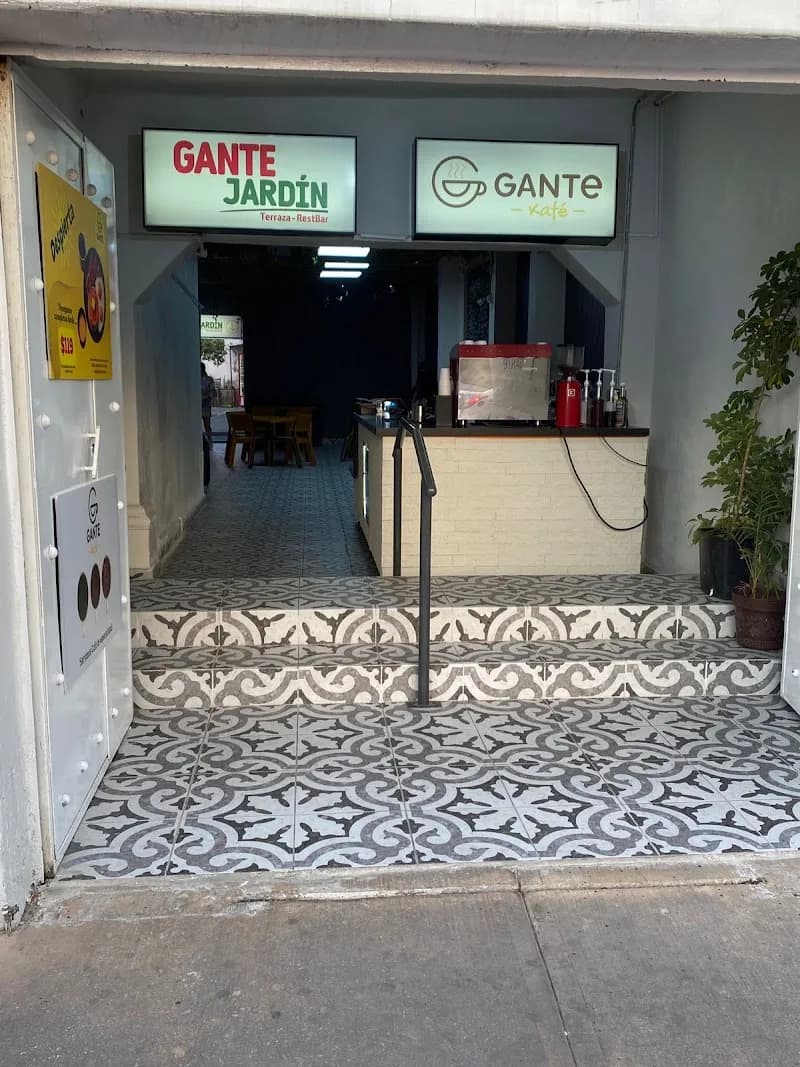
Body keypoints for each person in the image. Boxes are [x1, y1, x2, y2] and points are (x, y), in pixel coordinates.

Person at [200, 363, 214, 437]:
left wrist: (207, 398)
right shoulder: (194, 378)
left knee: (207, 425)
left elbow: (212, 392)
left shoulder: (209, 379)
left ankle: (209, 439)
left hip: (205, 404)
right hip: (196, 405)